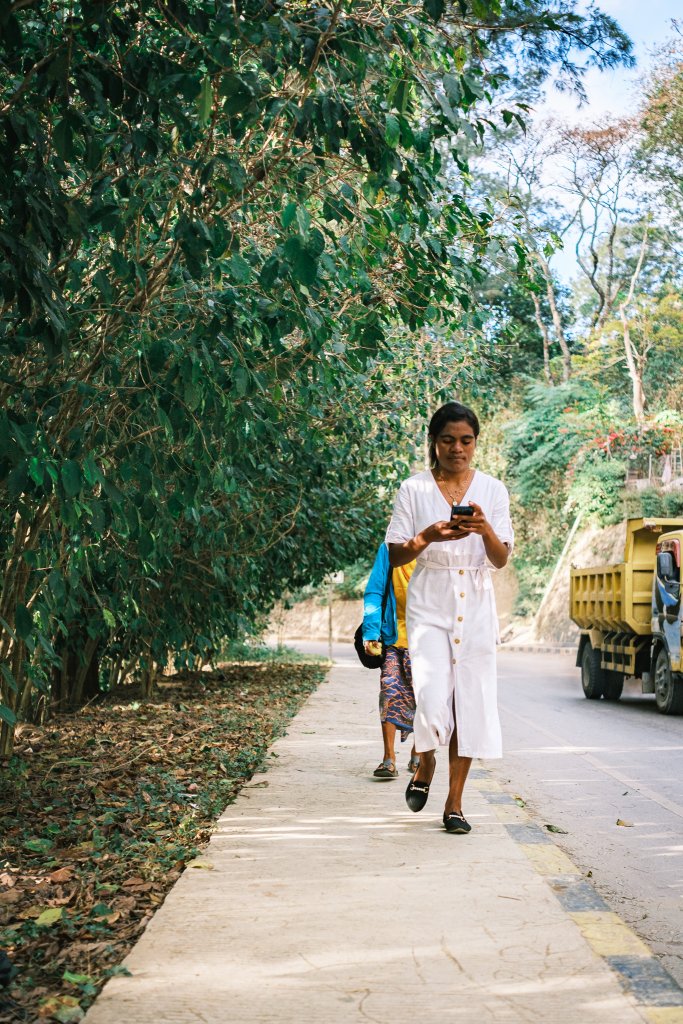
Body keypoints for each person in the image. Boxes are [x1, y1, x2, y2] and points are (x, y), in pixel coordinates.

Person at [385, 401, 513, 833]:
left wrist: (485, 530)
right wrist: (428, 536)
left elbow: (499, 560)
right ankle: (426, 762)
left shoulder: (493, 491)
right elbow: (395, 552)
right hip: (431, 600)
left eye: (466, 440)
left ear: (475, 443)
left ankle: (454, 805)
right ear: (433, 443)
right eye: (447, 440)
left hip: (475, 602)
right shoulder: (414, 489)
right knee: (432, 694)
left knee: (470, 702)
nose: (457, 448)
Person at [361, 543, 418, 779]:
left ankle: (420, 754)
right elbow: (375, 590)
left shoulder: (438, 545)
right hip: (393, 637)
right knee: (389, 691)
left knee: (427, 699)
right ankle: (389, 759)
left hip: (429, 640)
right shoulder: (390, 548)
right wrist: (371, 631)